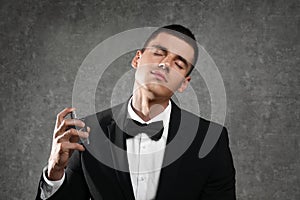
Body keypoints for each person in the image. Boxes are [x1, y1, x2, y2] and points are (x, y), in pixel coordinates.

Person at [36, 24, 236, 200]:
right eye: (159, 52)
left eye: (178, 63)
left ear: (184, 83)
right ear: (137, 59)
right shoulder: (87, 133)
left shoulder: (211, 140)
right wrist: (55, 172)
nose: (165, 63)